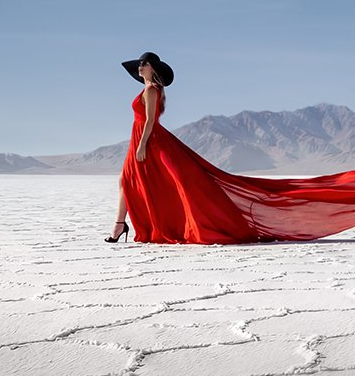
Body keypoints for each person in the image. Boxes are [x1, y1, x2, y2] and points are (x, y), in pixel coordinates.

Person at [108, 52, 271, 244]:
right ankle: (120, 224)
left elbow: (150, 120)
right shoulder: (147, 90)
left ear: (153, 68)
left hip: (149, 140)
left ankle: (121, 225)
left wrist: (142, 144)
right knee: (126, 180)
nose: (140, 67)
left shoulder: (151, 90)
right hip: (140, 139)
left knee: (138, 181)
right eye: (139, 64)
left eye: (143, 64)